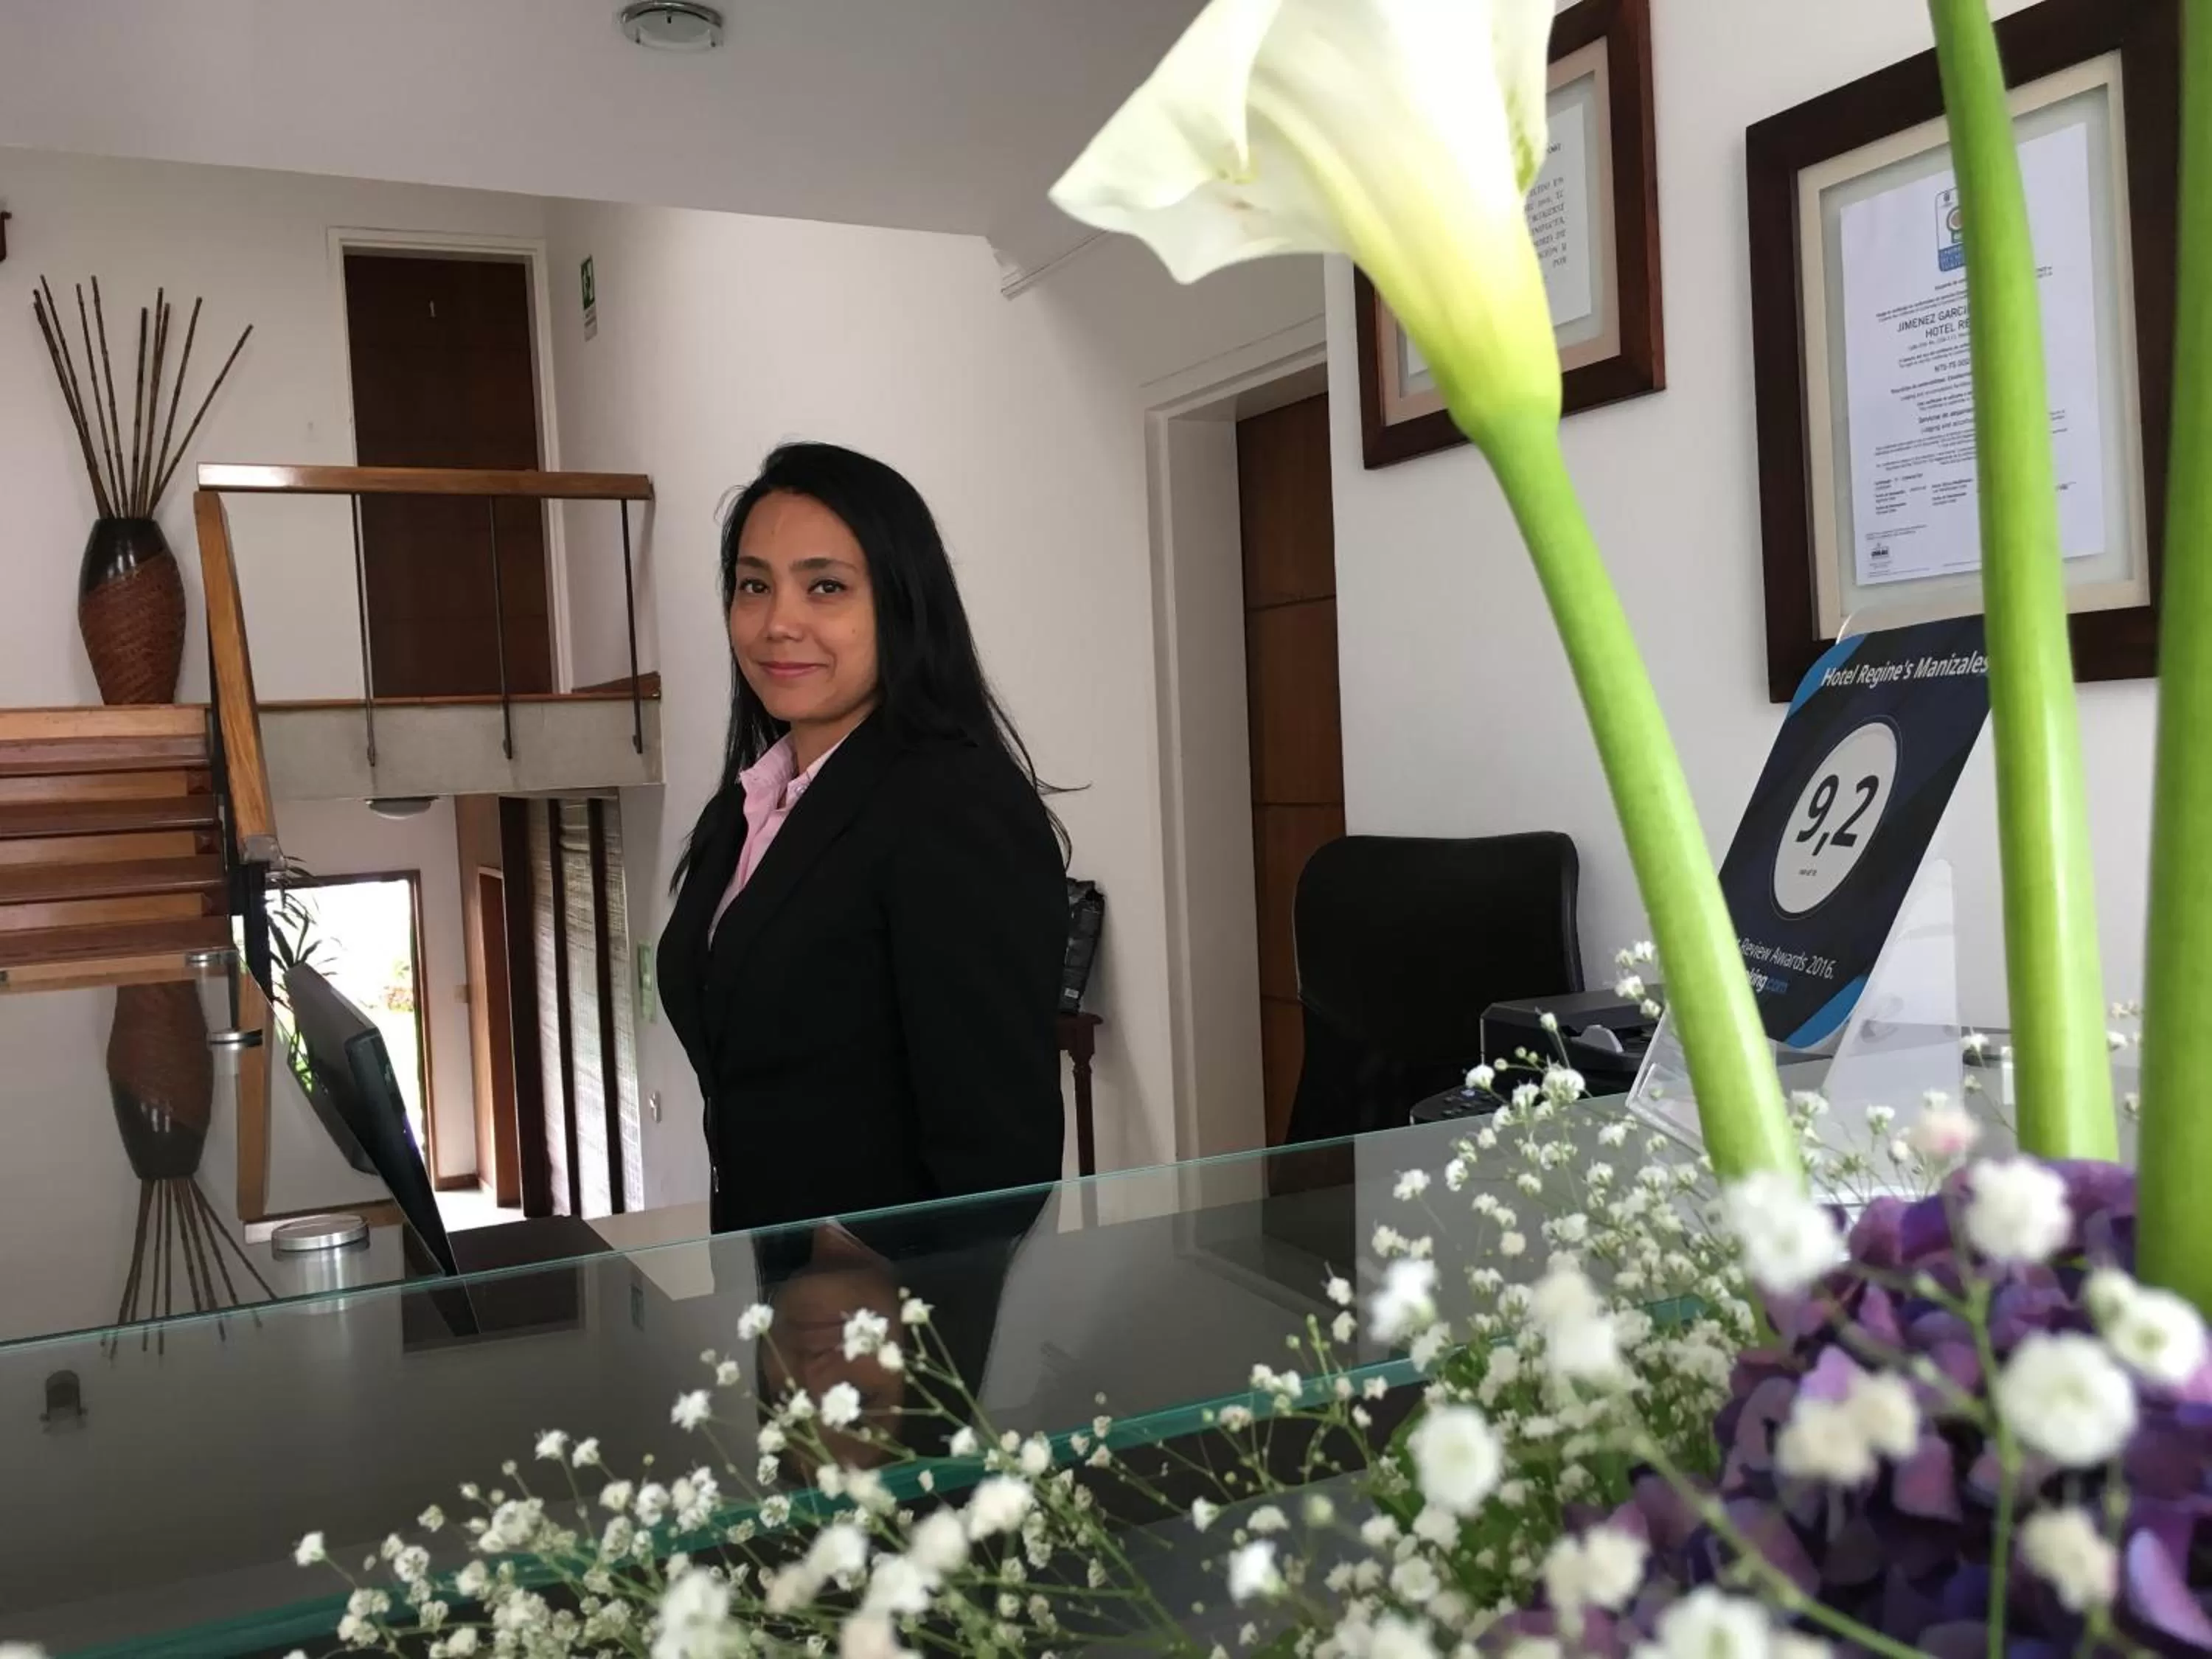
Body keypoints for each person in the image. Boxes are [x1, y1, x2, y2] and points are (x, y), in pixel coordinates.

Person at [658, 442, 1069, 1235]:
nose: (779, 622)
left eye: (826, 587)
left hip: (887, 1320)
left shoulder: (955, 807)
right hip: (770, 1275)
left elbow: (1001, 1157)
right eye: (753, 586)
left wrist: (900, 1327)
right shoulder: (749, 807)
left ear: (902, 603)